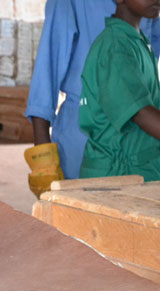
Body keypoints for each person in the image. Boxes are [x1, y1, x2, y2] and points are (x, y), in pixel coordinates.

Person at [24, 0, 160, 194]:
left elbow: (146, 81)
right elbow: (47, 70)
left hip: (136, 145)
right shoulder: (111, 44)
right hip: (89, 136)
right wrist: (44, 160)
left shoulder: (141, 24)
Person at [78, 0, 160, 180]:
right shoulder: (115, 47)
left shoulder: (136, 41)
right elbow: (141, 113)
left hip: (137, 171)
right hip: (118, 176)